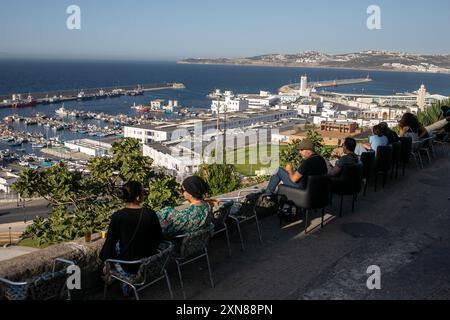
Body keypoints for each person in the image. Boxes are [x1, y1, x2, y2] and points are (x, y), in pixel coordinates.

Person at [99, 181, 163, 295]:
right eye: (143, 192)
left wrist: (104, 259)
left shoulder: (118, 216)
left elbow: (110, 243)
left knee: (109, 257)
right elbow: (159, 238)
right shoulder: (150, 214)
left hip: (130, 266)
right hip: (150, 261)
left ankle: (117, 281)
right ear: (138, 197)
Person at [263, 139, 328, 197]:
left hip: (303, 190)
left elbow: (294, 179)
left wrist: (290, 170)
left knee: (278, 170)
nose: (299, 152)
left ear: (309, 150)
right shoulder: (321, 159)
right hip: (318, 192)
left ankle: (267, 195)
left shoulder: (307, 162)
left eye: (301, 150)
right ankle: (268, 194)